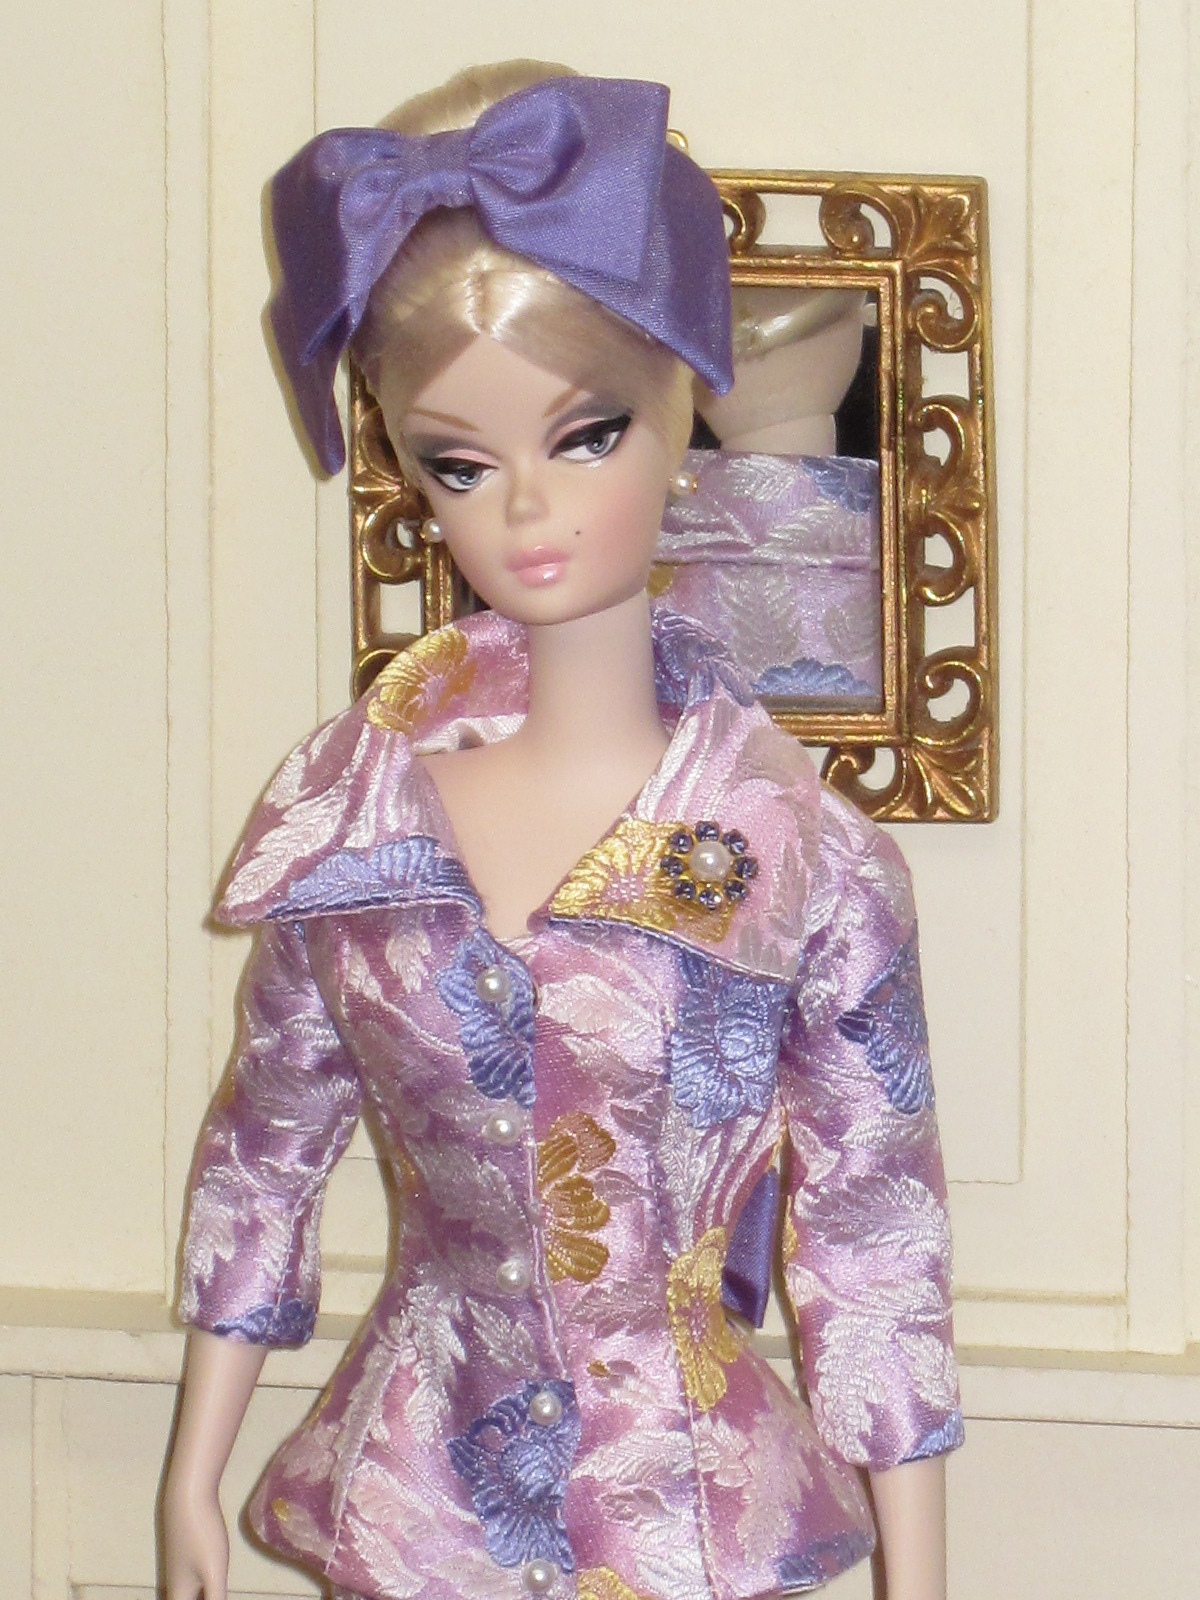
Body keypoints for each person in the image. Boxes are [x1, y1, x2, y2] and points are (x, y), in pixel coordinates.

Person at [161, 62, 961, 1600]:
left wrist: (917, 1583)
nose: (526, 510)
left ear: (682, 408)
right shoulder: (351, 827)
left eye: (585, 433)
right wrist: (192, 1476)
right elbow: (265, 1149)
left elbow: (876, 1242)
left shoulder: (807, 862)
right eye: (461, 463)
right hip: (414, 1515)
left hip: (692, 1522)